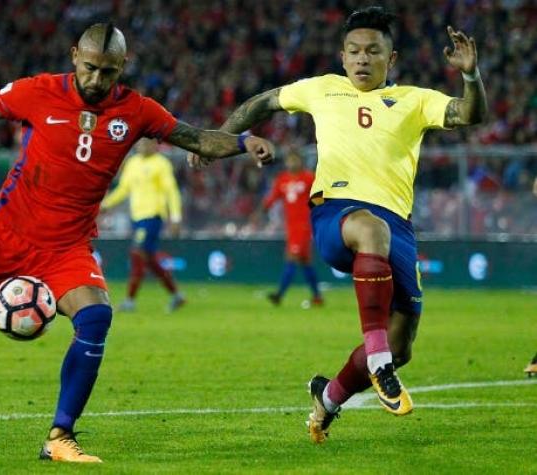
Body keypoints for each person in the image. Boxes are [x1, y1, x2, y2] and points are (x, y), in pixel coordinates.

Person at [0, 23, 274, 463]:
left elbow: (197, 137)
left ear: (122, 68)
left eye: (108, 72)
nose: (96, 79)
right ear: (74, 55)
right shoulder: (37, 91)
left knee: (95, 315)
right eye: (90, 67)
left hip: (67, 245)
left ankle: (60, 435)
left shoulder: (138, 111)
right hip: (3, 232)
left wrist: (245, 141)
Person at [189, 7, 486, 443]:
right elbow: (263, 102)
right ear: (342, 57)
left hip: (396, 229)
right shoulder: (322, 90)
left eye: (372, 51)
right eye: (353, 51)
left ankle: (326, 400)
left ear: (392, 58)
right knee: (369, 233)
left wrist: (471, 75)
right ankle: (378, 364)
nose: (362, 59)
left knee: (403, 344)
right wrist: (218, 141)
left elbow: (469, 114)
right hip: (337, 212)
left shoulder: (414, 99)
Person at [100, 138, 186, 313]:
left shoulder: (161, 164)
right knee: (150, 260)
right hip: (137, 218)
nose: (142, 146)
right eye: (140, 143)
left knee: (137, 252)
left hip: (153, 216)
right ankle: (176, 296)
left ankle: (130, 300)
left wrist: (176, 217)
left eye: (147, 143)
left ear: (155, 145)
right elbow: (124, 189)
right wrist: (105, 205)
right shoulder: (132, 163)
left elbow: (171, 191)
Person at [255, 150, 323, 307]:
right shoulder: (282, 179)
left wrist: (317, 211)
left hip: (304, 226)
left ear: (300, 161)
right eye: (289, 160)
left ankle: (279, 295)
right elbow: (272, 198)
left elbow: (319, 197)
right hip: (291, 226)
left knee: (291, 258)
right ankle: (317, 296)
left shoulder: (308, 178)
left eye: (295, 160)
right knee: (305, 262)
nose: (292, 163)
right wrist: (260, 212)